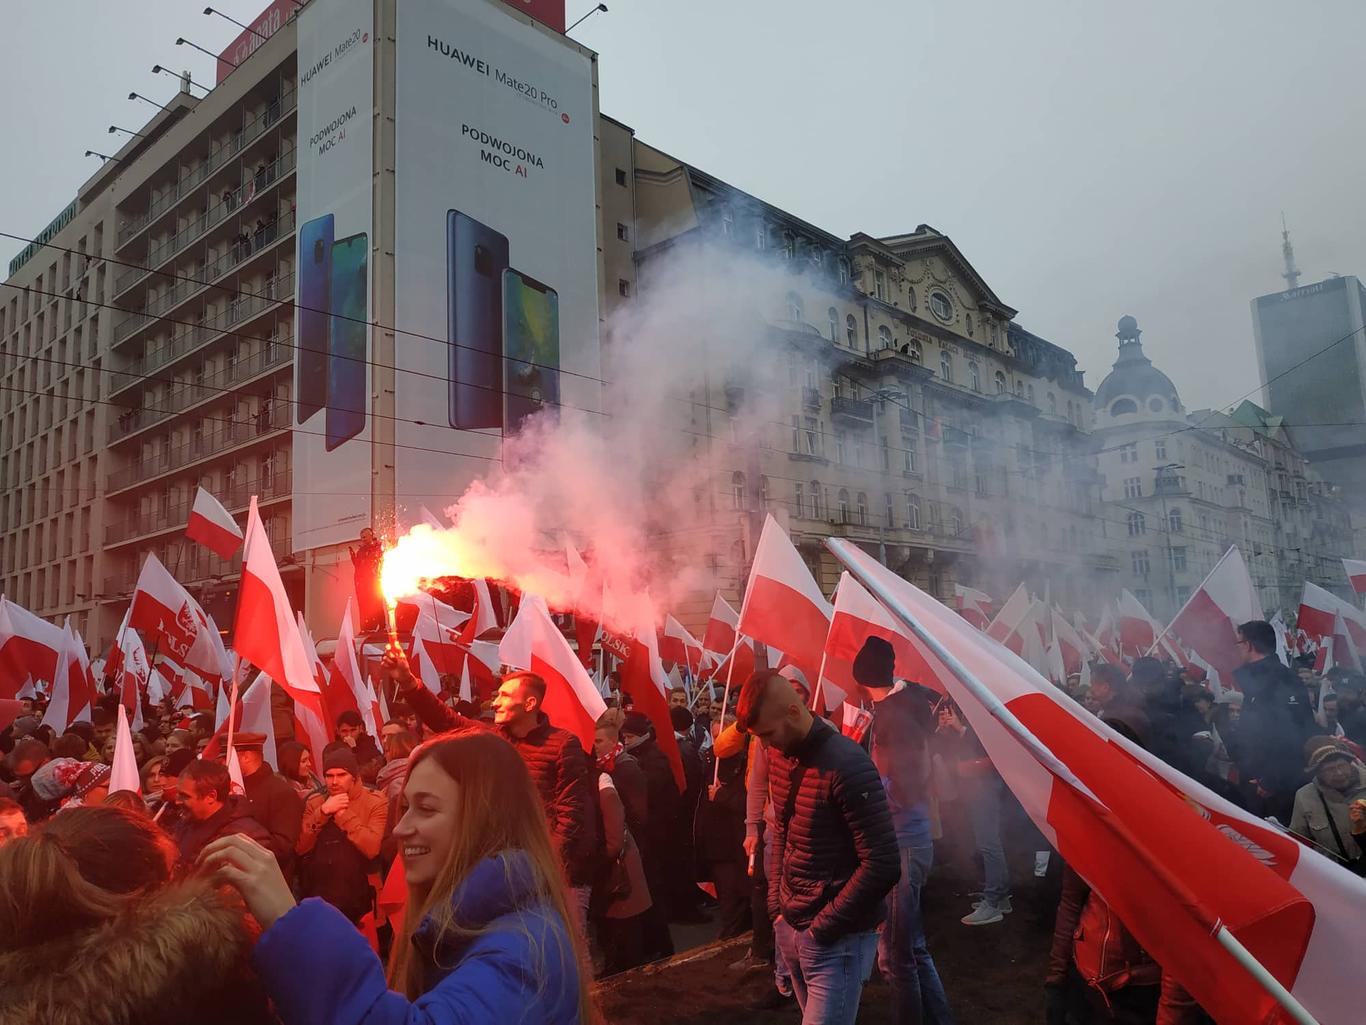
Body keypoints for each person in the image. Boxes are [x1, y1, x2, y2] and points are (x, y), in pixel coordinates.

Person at [200, 730, 593, 1025]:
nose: (402, 828)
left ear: (485, 818)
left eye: (425, 808)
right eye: (405, 807)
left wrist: (292, 924)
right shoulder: (475, 927)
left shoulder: (523, 951)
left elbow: (372, 847)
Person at [0, 805, 275, 1024]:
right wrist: (290, 927)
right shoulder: (205, 983)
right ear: (153, 892)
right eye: (173, 872)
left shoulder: (17, 995)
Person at [737, 671, 900, 1025]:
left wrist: (821, 930)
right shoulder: (780, 754)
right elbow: (782, 829)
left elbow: (883, 863)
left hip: (837, 938)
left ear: (794, 713)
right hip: (795, 924)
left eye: (768, 734)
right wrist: (777, 910)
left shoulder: (849, 764)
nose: (765, 746)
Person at [386, 659, 600, 926]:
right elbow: (446, 720)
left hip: (555, 872)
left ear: (530, 704)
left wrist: (546, 867)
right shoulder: (492, 740)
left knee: (560, 941)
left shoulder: (563, 744)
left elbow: (571, 813)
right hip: (504, 865)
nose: (495, 702)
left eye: (505, 695)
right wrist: (408, 682)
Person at [852, 636, 955, 1024]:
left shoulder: (895, 716)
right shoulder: (903, 707)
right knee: (912, 947)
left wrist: (864, 795)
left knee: (895, 957)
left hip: (903, 843)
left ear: (863, 678)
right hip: (909, 839)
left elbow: (906, 785)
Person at [1232, 620, 1316, 822]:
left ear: (1249, 645)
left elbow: (1293, 734)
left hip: (1273, 787)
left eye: (1238, 643)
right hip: (1257, 778)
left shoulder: (1279, 679)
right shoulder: (1257, 679)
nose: (1237, 649)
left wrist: (1271, 780)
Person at [296, 746, 387, 924]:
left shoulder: (375, 802)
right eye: (329, 776)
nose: (334, 781)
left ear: (354, 777)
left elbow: (372, 848)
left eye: (341, 775)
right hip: (321, 896)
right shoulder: (316, 803)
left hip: (362, 898)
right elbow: (300, 847)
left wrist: (342, 815)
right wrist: (322, 813)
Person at [173, 758, 271, 867]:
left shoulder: (247, 837)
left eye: (184, 796)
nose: (177, 801)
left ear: (211, 796)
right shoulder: (184, 825)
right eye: (178, 794)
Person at [1288, 736, 1366, 873]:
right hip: (1335, 875)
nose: (1339, 773)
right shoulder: (1305, 797)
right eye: (1329, 769)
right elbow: (1299, 843)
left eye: (1342, 765)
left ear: (1350, 762)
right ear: (1317, 773)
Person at [235, 732, 304, 875]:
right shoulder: (231, 790)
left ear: (246, 757)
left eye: (227, 758)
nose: (223, 764)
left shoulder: (281, 792)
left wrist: (240, 843)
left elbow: (283, 845)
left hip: (268, 880)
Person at [350, 527, 386, 632]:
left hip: (374, 581)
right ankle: (366, 627)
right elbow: (358, 566)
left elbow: (380, 561)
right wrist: (353, 557)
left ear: (371, 535)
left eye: (365, 537)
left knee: (377, 603)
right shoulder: (360, 551)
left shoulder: (378, 548)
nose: (363, 539)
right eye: (361, 538)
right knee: (364, 605)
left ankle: (382, 626)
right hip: (363, 582)